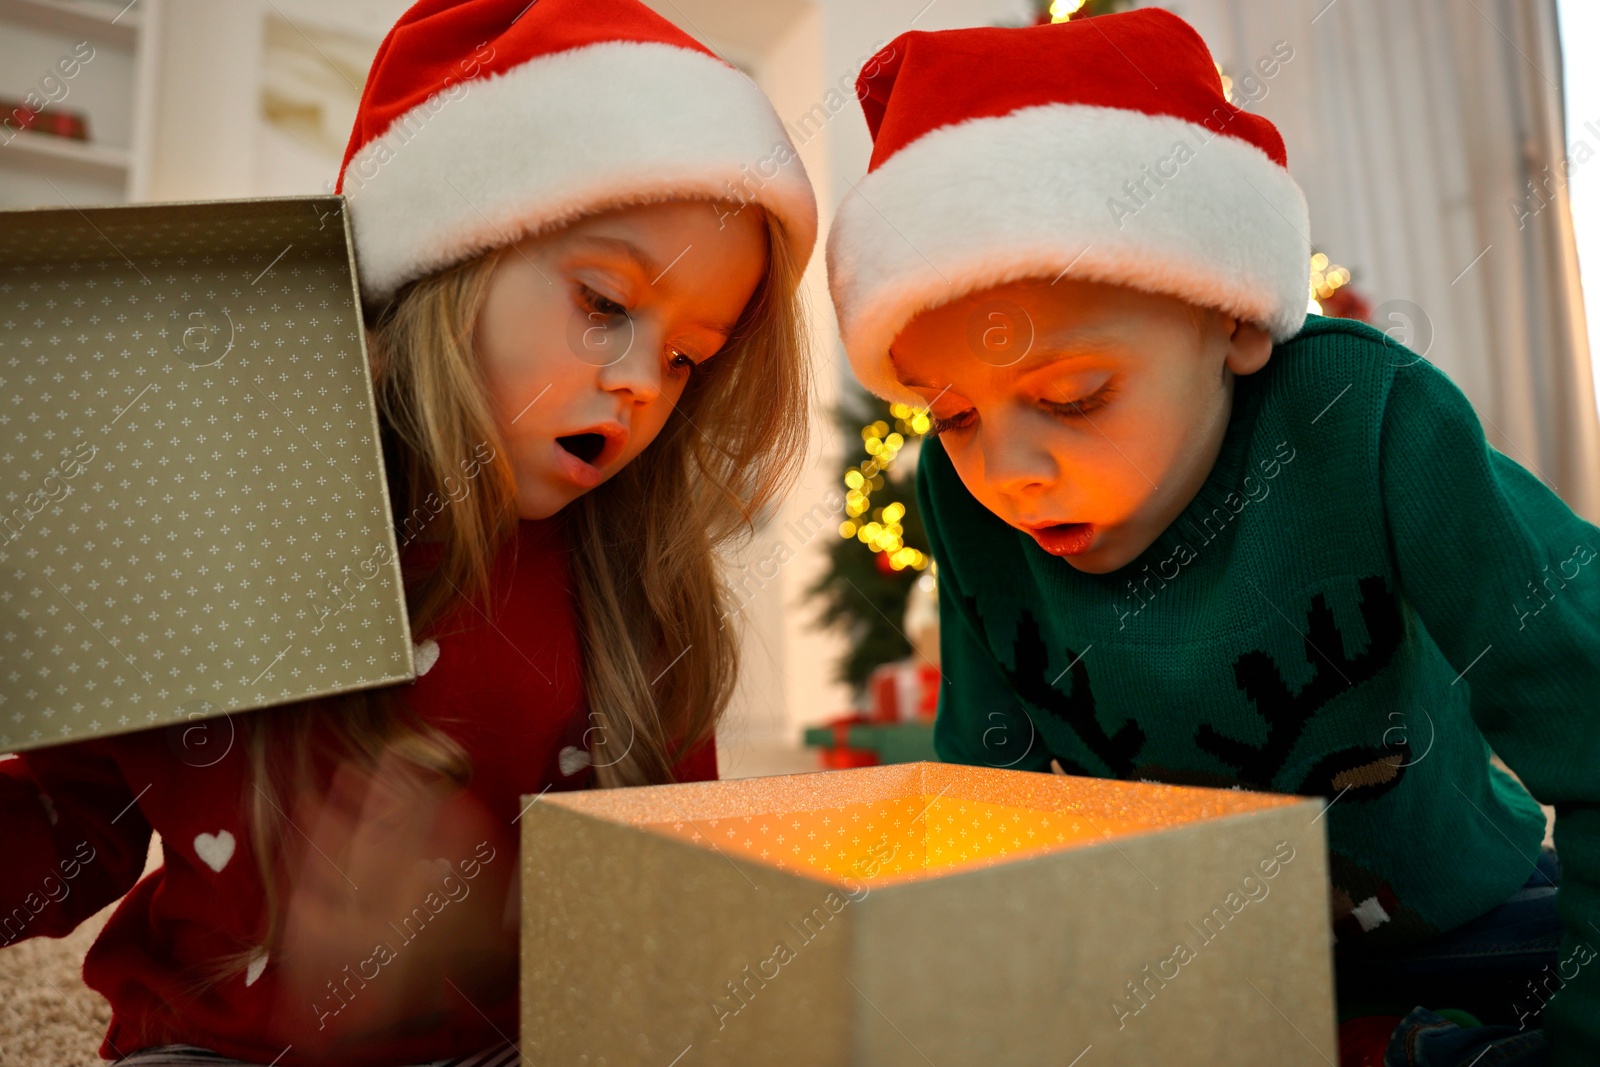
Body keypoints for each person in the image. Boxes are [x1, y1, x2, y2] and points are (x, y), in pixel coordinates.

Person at [0, 0, 817, 1063]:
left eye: (685, 359)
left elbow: (660, 895)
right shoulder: (224, 511)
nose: (637, 385)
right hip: (216, 1045)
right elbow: (79, 816)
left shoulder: (631, 585)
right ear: (444, 265)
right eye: (605, 301)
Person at [824, 10, 1597, 1066]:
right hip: (1187, 963)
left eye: (1075, 395)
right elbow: (983, 794)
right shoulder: (961, 505)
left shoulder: (1367, 418)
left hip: (1463, 920)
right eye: (952, 415)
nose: (1006, 471)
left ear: (1232, 317)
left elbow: (1587, 700)